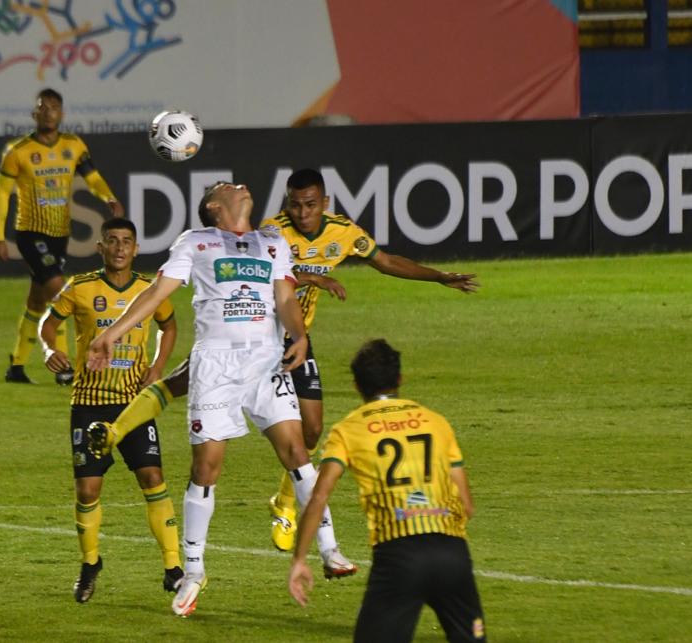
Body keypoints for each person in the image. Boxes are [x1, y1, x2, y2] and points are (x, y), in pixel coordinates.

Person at [87, 168, 479, 551]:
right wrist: (312, 278)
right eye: (295, 204)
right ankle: (121, 438)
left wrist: (438, 276)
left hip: (286, 343)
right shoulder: (268, 231)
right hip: (234, 342)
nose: (302, 212)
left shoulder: (338, 232)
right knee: (187, 396)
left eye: (309, 205)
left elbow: (385, 262)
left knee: (308, 435)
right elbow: (252, 277)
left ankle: (294, 514)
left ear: (324, 203)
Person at [86, 182, 357, 618]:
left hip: (266, 362)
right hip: (215, 366)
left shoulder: (272, 241)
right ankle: (193, 572)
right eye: (229, 187)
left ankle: (330, 549)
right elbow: (157, 293)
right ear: (215, 206)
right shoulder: (196, 242)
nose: (241, 186)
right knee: (206, 468)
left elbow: (285, 297)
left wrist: (300, 335)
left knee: (297, 452)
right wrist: (110, 334)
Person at [289, 339, 486, 643]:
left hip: (399, 556)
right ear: (399, 380)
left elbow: (318, 497)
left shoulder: (348, 429)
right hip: (453, 553)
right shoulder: (436, 423)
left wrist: (300, 559)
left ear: (356, 385)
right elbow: (467, 505)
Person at [40, 217, 181, 603]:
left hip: (134, 403)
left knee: (152, 476)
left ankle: (173, 567)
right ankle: (90, 563)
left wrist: (156, 367)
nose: (120, 248)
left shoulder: (151, 290)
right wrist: (51, 350)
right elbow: (47, 324)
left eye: (127, 242)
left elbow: (169, 327)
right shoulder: (80, 288)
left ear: (136, 249)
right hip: (88, 403)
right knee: (88, 489)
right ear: (100, 246)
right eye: (113, 241)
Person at [0, 87, 124, 385]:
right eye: (43, 106)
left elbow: (92, 177)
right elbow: (2, 194)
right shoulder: (18, 151)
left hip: (59, 234)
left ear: (61, 113)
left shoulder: (74, 145)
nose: (48, 111)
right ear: (34, 113)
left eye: (54, 106)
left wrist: (109, 198)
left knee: (37, 300)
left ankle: (16, 365)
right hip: (30, 232)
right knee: (60, 293)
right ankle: (63, 367)